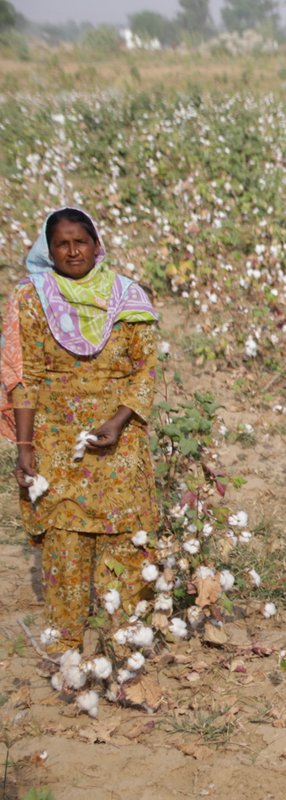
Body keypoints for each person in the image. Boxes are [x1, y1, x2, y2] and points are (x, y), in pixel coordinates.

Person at [1, 207, 160, 651]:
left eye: (80, 242)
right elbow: (24, 376)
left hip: (118, 439)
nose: (72, 251)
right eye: (61, 244)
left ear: (96, 245)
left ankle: (125, 652)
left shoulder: (127, 297)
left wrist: (115, 421)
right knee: (64, 548)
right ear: (48, 251)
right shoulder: (32, 299)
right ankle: (65, 654)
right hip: (57, 443)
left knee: (127, 541)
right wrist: (25, 446)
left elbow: (144, 371)